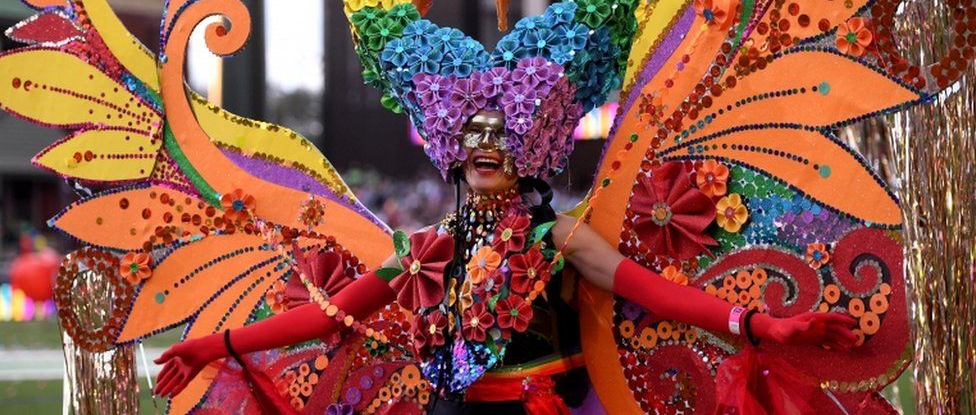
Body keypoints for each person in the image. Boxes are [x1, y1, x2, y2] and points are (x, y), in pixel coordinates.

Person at [154, 107, 857, 413]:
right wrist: (211, 343)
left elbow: (661, 294)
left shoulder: (561, 239)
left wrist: (759, 325)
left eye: (503, 135)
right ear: (459, 157)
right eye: (474, 136)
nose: (486, 145)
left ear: (529, 156)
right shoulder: (427, 247)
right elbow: (322, 315)